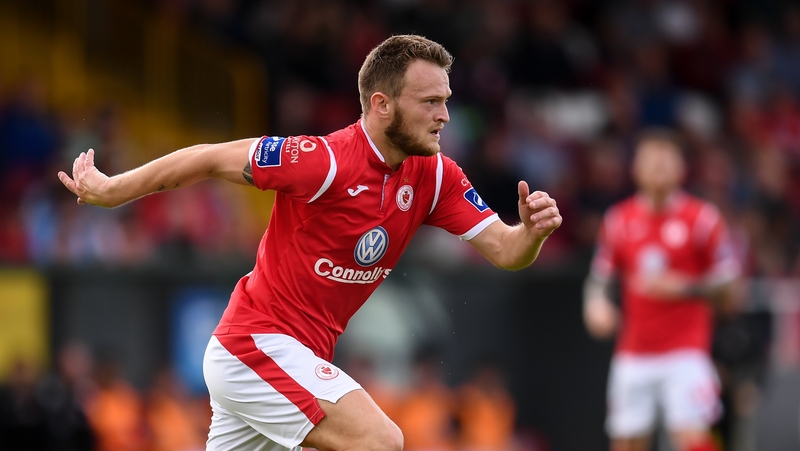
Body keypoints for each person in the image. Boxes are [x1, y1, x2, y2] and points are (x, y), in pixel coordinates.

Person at [58, 34, 562, 451]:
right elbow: (211, 157)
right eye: (430, 101)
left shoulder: (434, 177)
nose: (445, 116)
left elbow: (506, 251)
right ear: (382, 105)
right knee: (381, 440)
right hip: (254, 347)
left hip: (287, 358)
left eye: (446, 101)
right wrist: (111, 189)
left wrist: (531, 234)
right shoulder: (324, 161)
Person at [582, 130, 740, 451]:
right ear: (635, 169)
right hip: (634, 351)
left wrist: (687, 287)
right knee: (627, 441)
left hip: (686, 349)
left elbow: (731, 284)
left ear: (682, 169)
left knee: (693, 435)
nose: (658, 169)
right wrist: (595, 304)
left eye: (666, 162)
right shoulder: (618, 220)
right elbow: (599, 277)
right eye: (651, 162)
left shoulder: (702, 219)